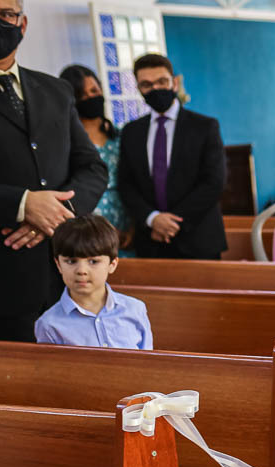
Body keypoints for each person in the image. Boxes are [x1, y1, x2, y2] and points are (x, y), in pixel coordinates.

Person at [0, 0, 107, 342]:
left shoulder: (56, 90)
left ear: (22, 23)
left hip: (69, 276)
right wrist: (22, 204)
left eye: (6, 14)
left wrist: (56, 213)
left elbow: (92, 167)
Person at [117, 53, 226, 261]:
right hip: (150, 240)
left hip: (198, 239)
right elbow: (126, 184)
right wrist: (153, 219)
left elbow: (214, 182)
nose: (156, 88)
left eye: (162, 81)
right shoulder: (131, 132)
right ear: (139, 89)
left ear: (174, 83)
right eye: (147, 85)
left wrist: (171, 223)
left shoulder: (205, 127)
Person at [34, 214, 151, 349]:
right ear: (59, 265)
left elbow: (147, 359)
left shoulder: (135, 310)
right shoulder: (49, 324)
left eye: (93, 261)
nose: (81, 270)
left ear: (112, 264)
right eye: (71, 261)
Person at [60, 64, 130, 246]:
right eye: (82, 95)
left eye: (94, 91)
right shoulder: (67, 142)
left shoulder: (120, 136)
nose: (90, 98)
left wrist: (134, 226)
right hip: (86, 225)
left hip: (127, 220)